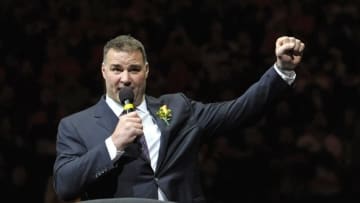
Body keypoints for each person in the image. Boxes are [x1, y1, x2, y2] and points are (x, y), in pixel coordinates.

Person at [53, 34, 305, 203]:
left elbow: (238, 111)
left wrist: (281, 70)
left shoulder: (177, 108)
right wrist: (113, 145)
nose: (126, 79)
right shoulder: (76, 126)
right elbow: (64, 185)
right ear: (104, 71)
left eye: (134, 69)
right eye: (117, 70)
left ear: (147, 71)